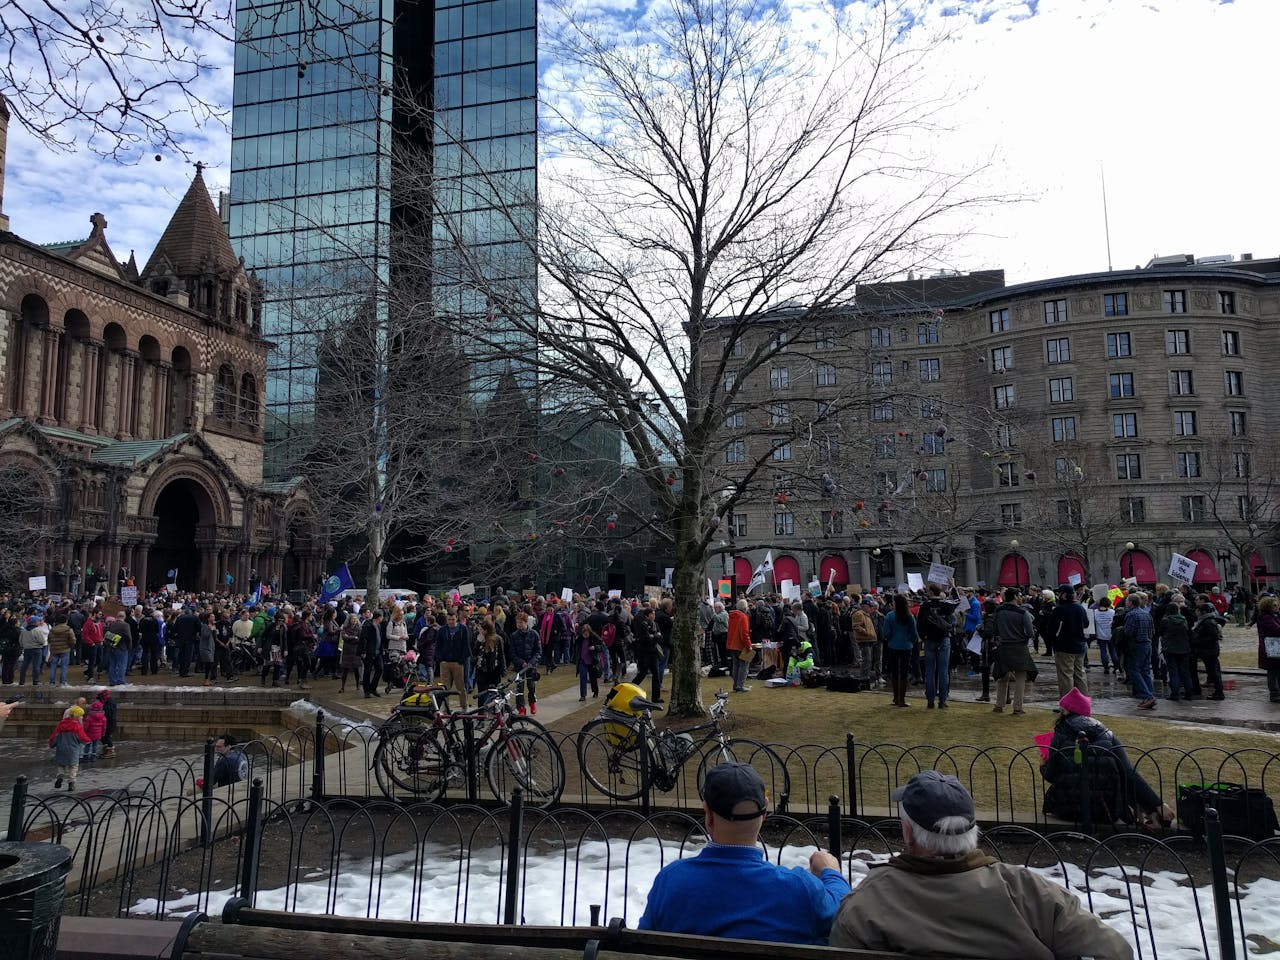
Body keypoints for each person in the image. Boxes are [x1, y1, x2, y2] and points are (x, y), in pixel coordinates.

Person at [829, 770, 1133, 960]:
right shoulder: (1027, 891)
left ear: (908, 833)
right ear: (973, 833)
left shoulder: (867, 903)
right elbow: (1114, 950)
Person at [638, 763, 850, 944]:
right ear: (764, 813)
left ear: (708, 815)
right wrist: (831, 871)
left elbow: (643, 945)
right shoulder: (800, 889)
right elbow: (843, 913)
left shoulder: (670, 881)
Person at [1041, 688, 1174, 828]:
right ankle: (1153, 811)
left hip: (1066, 809)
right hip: (1106, 810)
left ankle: (1150, 810)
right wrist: (1157, 803)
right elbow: (1128, 772)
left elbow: (1051, 775)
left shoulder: (1060, 733)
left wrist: (1042, 765)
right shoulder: (1106, 734)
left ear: (1065, 712)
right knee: (1118, 774)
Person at [991, 587, 1037, 715]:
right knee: (1020, 677)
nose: (1021, 597)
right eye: (1020, 595)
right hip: (1019, 646)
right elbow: (1030, 632)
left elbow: (995, 629)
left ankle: (999, 705)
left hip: (1003, 645)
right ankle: (1017, 707)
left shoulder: (998, 611)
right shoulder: (1023, 613)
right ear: (1016, 597)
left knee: (1002, 676)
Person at [884, 593, 917, 707]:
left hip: (893, 645)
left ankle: (895, 697)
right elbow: (914, 634)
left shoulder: (889, 616)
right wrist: (910, 641)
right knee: (904, 672)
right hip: (906, 646)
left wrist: (890, 639)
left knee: (894, 672)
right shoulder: (910, 616)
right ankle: (902, 699)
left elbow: (886, 633)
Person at [49, 704, 91, 790]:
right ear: (76, 716)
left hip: (61, 749)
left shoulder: (61, 724)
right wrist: (87, 741)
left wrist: (52, 744)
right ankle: (71, 782)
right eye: (81, 716)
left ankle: (60, 776)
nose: (82, 718)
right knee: (73, 766)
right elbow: (82, 738)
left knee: (61, 765)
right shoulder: (77, 726)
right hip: (73, 750)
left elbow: (54, 736)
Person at [1256, 595, 1280, 704]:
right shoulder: (1266, 618)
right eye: (1274, 605)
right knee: (1273, 672)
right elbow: (1275, 630)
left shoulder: (1273, 616)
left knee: (1276, 671)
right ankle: (1274, 694)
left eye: (1277, 605)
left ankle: (1276, 692)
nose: (1277, 607)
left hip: (1274, 647)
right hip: (1271, 648)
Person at [726, 599, 753, 693]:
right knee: (744, 665)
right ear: (745, 608)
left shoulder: (732, 616)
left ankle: (735, 685)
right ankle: (740, 685)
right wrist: (749, 646)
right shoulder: (743, 617)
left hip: (731, 644)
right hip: (740, 645)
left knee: (736, 665)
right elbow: (744, 634)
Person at [574, 621, 604, 702]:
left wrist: (595, 647)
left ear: (589, 632)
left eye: (586, 633)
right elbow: (576, 648)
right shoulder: (580, 639)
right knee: (582, 678)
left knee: (593, 678)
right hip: (582, 661)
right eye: (584, 633)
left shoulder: (594, 637)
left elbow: (603, 646)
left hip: (592, 661)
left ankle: (595, 692)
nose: (585, 635)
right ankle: (583, 695)